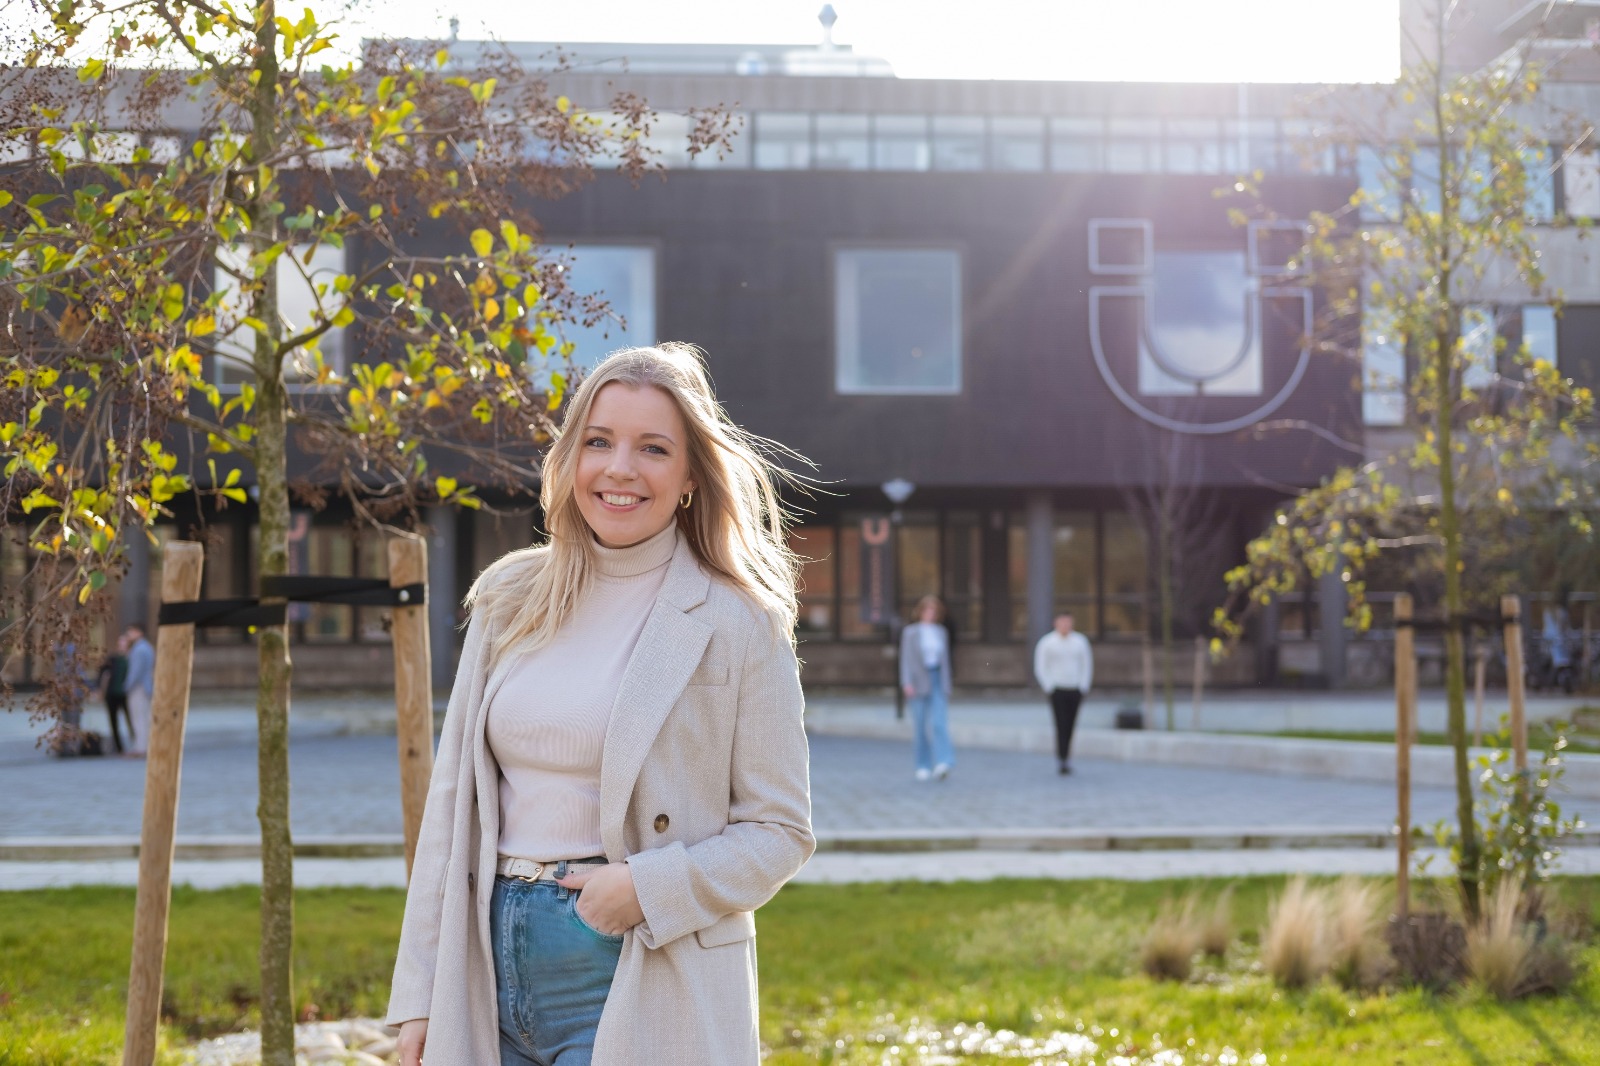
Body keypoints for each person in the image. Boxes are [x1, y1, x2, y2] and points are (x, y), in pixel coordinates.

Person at [388, 344, 814, 1066]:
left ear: (690, 475)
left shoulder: (741, 621)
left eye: (653, 448)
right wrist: (422, 994)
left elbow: (780, 831)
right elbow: (451, 808)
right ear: (570, 458)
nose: (620, 468)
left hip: (633, 962)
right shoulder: (509, 598)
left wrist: (647, 889)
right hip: (483, 963)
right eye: (598, 442)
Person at [900, 594, 954, 781]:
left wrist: (947, 684)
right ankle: (922, 765)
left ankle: (944, 762)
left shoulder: (941, 632)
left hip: (937, 677)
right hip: (918, 680)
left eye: (934, 611)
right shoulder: (911, 632)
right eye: (927, 610)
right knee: (921, 725)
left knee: (939, 723)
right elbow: (905, 660)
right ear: (921, 611)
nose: (930, 614)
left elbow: (945, 661)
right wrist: (906, 682)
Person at [1034, 611, 1093, 775]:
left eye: (1068, 622)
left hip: (1075, 688)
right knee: (1060, 723)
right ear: (1056, 623)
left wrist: (1083, 686)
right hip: (1057, 689)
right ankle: (1061, 757)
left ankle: (1067, 756)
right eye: (1062, 622)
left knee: (1071, 724)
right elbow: (1040, 667)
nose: (1065, 625)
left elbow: (1086, 665)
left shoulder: (1080, 642)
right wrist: (1049, 686)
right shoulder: (1047, 643)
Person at [97, 634, 132, 755]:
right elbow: (102, 674)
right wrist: (100, 690)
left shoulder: (131, 658)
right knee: (114, 721)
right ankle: (119, 747)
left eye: (124, 643)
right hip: (112, 694)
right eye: (120, 643)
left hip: (126, 694)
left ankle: (135, 743)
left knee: (131, 719)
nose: (122, 646)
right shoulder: (112, 659)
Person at [123, 622, 155, 757]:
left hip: (139, 687)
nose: (129, 634)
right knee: (144, 717)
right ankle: (143, 745)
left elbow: (135, 672)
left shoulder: (139, 649)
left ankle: (141, 747)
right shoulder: (146, 647)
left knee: (139, 718)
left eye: (132, 631)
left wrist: (127, 686)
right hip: (145, 686)